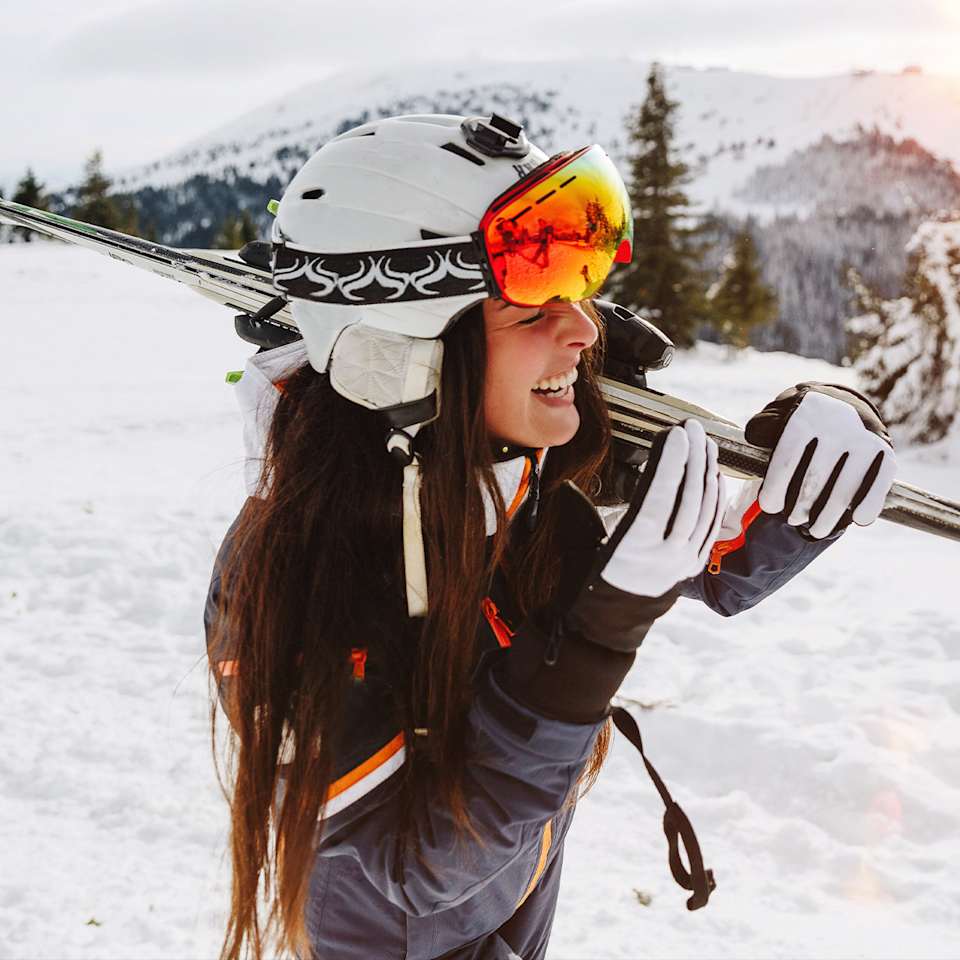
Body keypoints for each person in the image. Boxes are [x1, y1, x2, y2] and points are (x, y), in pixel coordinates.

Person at [204, 114, 897, 960]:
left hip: (518, 891)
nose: (586, 330)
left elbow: (709, 552)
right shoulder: (283, 578)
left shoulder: (520, 466)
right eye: (530, 311)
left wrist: (813, 461)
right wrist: (596, 639)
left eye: (577, 295)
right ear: (404, 351)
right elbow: (416, 865)